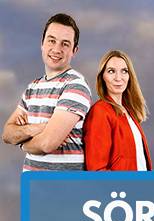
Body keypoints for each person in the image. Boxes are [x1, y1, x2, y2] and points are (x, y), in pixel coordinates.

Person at [1, 13, 90, 171]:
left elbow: (47, 143)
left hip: (63, 190)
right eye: (51, 40)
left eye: (65, 44)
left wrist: (21, 142)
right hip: (34, 188)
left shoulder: (75, 86)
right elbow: (7, 134)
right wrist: (36, 129)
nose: (56, 49)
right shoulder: (33, 87)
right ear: (42, 43)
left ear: (74, 50)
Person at [81, 49, 146, 170]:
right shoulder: (100, 112)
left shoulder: (129, 112)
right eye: (111, 71)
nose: (118, 78)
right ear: (103, 77)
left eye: (124, 71)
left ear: (129, 76)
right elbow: (97, 170)